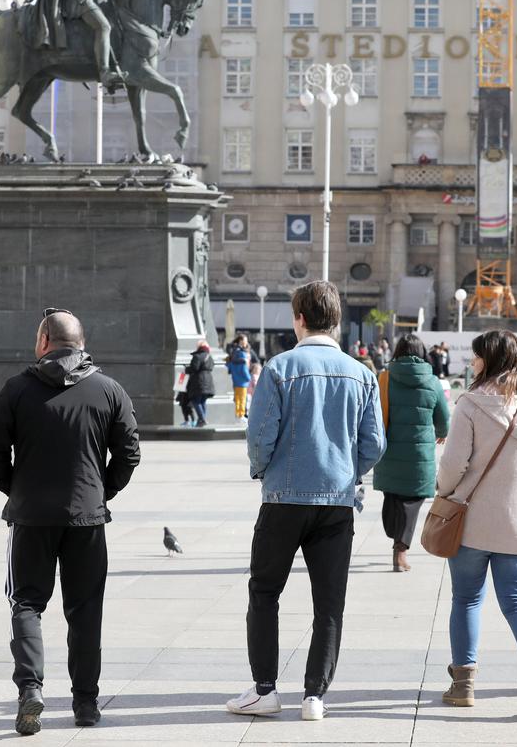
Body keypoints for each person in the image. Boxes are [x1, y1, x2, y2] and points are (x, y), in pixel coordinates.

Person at [229, 281, 385, 721]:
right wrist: (349, 472)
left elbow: (260, 435)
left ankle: (264, 689)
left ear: (298, 318)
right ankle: (315, 696)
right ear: (336, 320)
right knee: (329, 601)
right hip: (336, 501)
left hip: (283, 498)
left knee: (264, 592)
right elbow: (374, 443)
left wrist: (264, 470)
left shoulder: (279, 368)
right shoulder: (362, 373)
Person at [0, 309, 141, 733]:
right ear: (82, 343)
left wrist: (13, 488)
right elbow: (129, 453)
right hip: (87, 518)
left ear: (45, 340)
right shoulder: (109, 390)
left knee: (26, 602)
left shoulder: (17, 390)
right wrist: (102, 490)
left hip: (31, 516)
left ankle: (31, 690)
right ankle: (85, 704)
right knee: (86, 611)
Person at [436, 330, 517, 717]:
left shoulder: (472, 403)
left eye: (476, 358)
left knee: (467, 599)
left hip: (471, 520)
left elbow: (453, 465)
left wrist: (445, 491)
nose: (472, 363)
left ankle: (463, 685)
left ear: (488, 360)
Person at [372, 333, 449, 572]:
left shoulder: (384, 378)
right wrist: (442, 432)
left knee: (392, 495)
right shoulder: (433, 381)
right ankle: (401, 549)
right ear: (422, 353)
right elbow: (443, 418)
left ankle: (393, 534)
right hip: (419, 453)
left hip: (389, 450)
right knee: (412, 501)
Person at [184, 341, 216, 428]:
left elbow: (195, 368)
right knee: (203, 401)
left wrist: (187, 369)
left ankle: (202, 419)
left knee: (195, 401)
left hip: (199, 381)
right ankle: (201, 421)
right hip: (208, 380)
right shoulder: (210, 357)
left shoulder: (197, 356)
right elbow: (212, 367)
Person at [228, 335, 253, 424]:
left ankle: (237, 415)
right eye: (245, 340)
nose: (246, 342)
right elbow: (244, 369)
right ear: (241, 341)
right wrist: (249, 378)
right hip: (242, 381)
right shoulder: (242, 354)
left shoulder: (234, 352)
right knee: (242, 399)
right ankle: (240, 415)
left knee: (237, 398)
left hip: (235, 380)